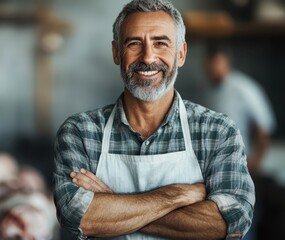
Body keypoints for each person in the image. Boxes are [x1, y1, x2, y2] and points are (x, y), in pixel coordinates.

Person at [53, 0, 255, 239]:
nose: (148, 57)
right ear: (117, 52)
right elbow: (77, 215)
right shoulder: (80, 132)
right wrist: (177, 196)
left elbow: (230, 222)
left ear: (180, 54)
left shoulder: (218, 132)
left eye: (160, 43)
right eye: (134, 43)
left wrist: (111, 202)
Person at [202, 43, 276, 240]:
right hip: (218, 170)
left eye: (217, 62)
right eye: (209, 63)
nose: (213, 67)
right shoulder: (211, 91)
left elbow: (264, 126)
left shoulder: (242, 87)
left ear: (226, 62)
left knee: (244, 223)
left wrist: (256, 161)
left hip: (244, 168)